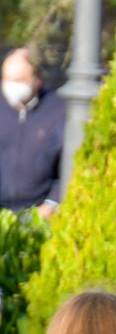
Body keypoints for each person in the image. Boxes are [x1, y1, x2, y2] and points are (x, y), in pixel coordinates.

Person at [0, 48, 66, 217]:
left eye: (20, 79)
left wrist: (50, 205)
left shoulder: (58, 109)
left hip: (39, 213)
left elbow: (66, 164)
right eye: (7, 79)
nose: (12, 85)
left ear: (38, 79)